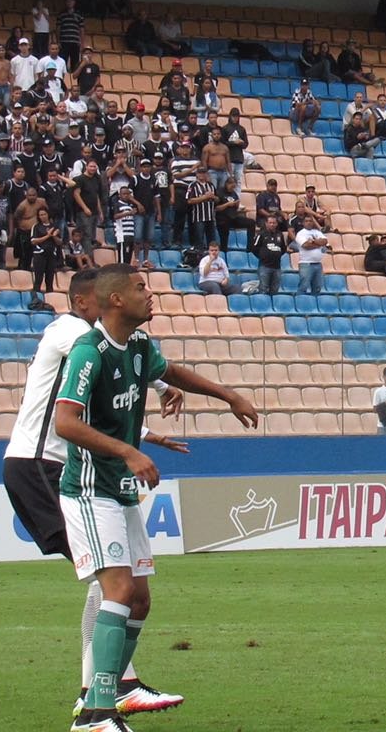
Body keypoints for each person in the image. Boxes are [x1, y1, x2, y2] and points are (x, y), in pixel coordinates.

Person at [54, 264, 257, 732]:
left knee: (139, 600)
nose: (151, 294)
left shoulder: (140, 346)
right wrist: (128, 450)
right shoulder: (89, 353)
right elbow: (65, 423)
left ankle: (105, 701)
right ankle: (94, 715)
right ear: (116, 300)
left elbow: (172, 373)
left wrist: (229, 396)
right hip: (89, 489)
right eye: (141, 287)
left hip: (119, 492)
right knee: (119, 591)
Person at [3, 269, 183, 720]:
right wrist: (159, 386)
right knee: (111, 581)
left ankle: (110, 687)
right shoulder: (72, 331)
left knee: (119, 585)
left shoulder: (106, 343)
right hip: (38, 464)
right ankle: (100, 697)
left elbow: (110, 392)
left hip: (60, 463)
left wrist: (146, 432)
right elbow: (99, 365)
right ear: (89, 302)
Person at [249, 215, 288, 294]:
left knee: (275, 290)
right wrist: (262, 256)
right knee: (263, 289)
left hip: (277, 267)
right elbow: (254, 248)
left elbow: (283, 248)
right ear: (266, 223)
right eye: (270, 223)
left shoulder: (280, 234)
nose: (272, 224)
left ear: (277, 224)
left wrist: (276, 254)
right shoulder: (261, 234)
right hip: (264, 266)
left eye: (274, 223)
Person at [30, 206, 61, 297]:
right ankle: (36, 299)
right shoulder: (36, 227)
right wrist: (48, 236)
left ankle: (50, 298)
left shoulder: (54, 226)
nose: (42, 216)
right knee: (38, 278)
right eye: (40, 215)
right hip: (39, 254)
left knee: (50, 279)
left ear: (48, 214)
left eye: (44, 214)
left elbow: (59, 242)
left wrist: (54, 236)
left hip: (51, 254)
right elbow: (33, 241)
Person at [294, 213, 328, 295]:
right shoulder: (300, 234)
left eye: (310, 221)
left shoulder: (317, 232)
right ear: (303, 223)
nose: (309, 222)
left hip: (318, 264)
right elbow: (305, 245)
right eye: (306, 221)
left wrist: (313, 241)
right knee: (303, 286)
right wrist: (318, 243)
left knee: (317, 287)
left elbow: (325, 241)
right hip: (306, 263)